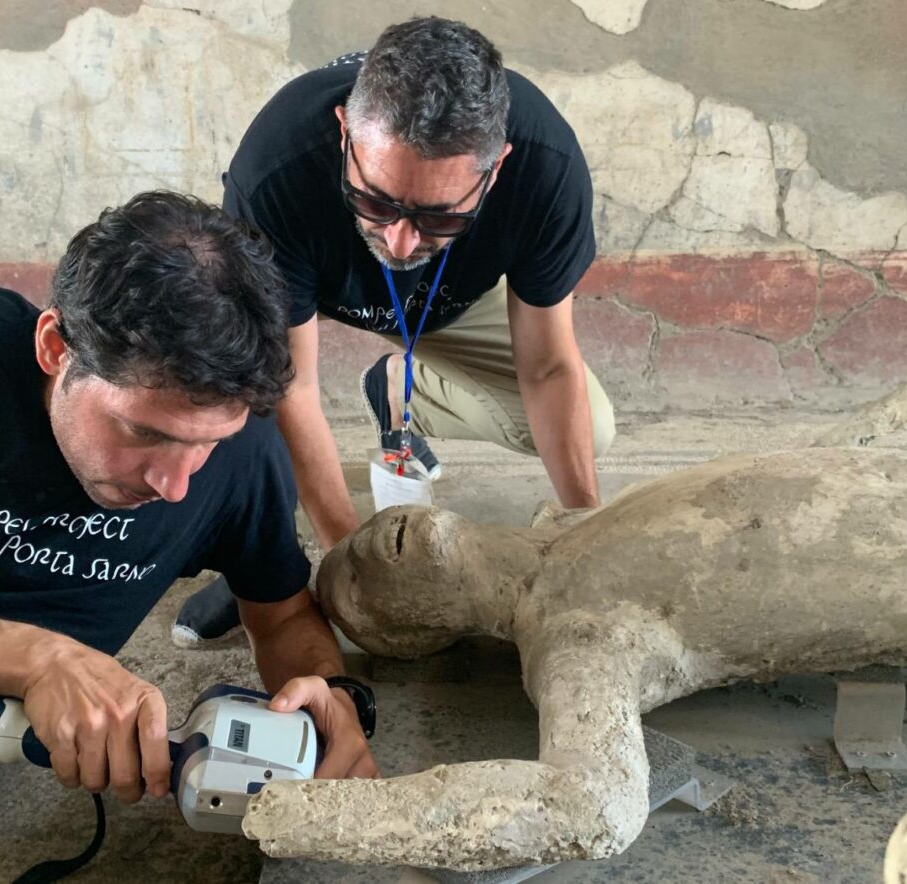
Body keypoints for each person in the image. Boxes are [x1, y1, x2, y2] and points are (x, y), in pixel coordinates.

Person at [0, 191, 377, 825]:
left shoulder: (244, 460)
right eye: (146, 433)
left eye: (207, 443)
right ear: (57, 346)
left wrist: (330, 695)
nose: (175, 485)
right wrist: (37, 660)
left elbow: (280, 618)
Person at [175, 16, 616, 645]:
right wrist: (352, 569)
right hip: (313, 284)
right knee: (231, 401)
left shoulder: (548, 167)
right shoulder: (278, 168)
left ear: (496, 169)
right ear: (345, 134)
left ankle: (399, 389)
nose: (402, 240)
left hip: (450, 301)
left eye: (440, 216)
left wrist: (585, 539)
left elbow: (546, 368)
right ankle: (265, 562)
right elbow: (290, 387)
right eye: (377, 201)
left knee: (591, 429)